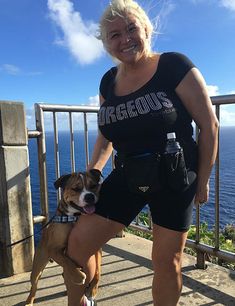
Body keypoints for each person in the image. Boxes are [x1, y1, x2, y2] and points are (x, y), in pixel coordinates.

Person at [65, 0, 219, 305]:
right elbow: (105, 137)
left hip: (175, 176)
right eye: (114, 35)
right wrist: (90, 178)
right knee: (78, 244)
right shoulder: (108, 81)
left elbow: (209, 125)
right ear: (106, 44)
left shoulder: (174, 66)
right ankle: (84, 300)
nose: (125, 39)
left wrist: (202, 181)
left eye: (131, 28)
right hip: (129, 173)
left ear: (147, 29)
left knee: (166, 261)